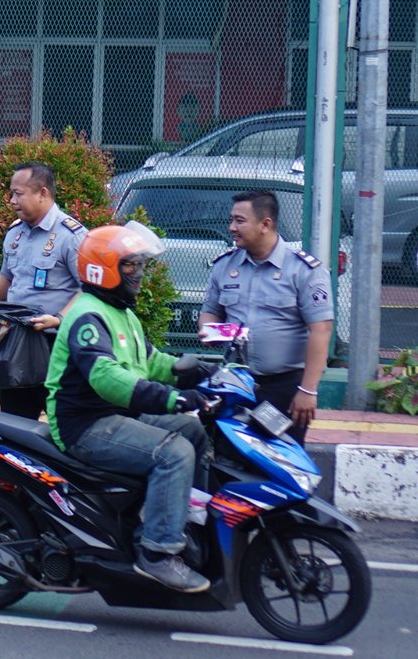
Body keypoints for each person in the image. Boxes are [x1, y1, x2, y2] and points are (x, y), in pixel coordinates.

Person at [47, 222, 213, 593]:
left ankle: (183, 522)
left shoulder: (121, 312)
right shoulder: (88, 316)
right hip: (86, 424)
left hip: (115, 415)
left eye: (140, 264)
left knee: (193, 431)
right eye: (130, 265)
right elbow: (106, 377)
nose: (138, 273)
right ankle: (157, 553)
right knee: (174, 453)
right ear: (103, 269)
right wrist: (172, 398)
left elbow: (148, 361)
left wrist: (195, 371)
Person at [199, 190, 333, 443]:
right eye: (231, 220)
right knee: (229, 452)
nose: (231, 227)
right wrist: (208, 330)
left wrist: (308, 390)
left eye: (240, 221)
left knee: (279, 456)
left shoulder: (303, 270)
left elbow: (321, 330)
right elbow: (211, 310)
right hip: (237, 384)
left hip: (284, 388)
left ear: (265, 224)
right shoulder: (225, 265)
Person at [0, 161, 88, 419]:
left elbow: (88, 289)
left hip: (54, 345)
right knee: (15, 421)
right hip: (16, 343)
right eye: (11, 194)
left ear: (43, 193)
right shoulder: (15, 233)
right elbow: (6, 277)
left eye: (18, 194)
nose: (12, 201)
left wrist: (59, 319)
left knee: (64, 421)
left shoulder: (71, 235)